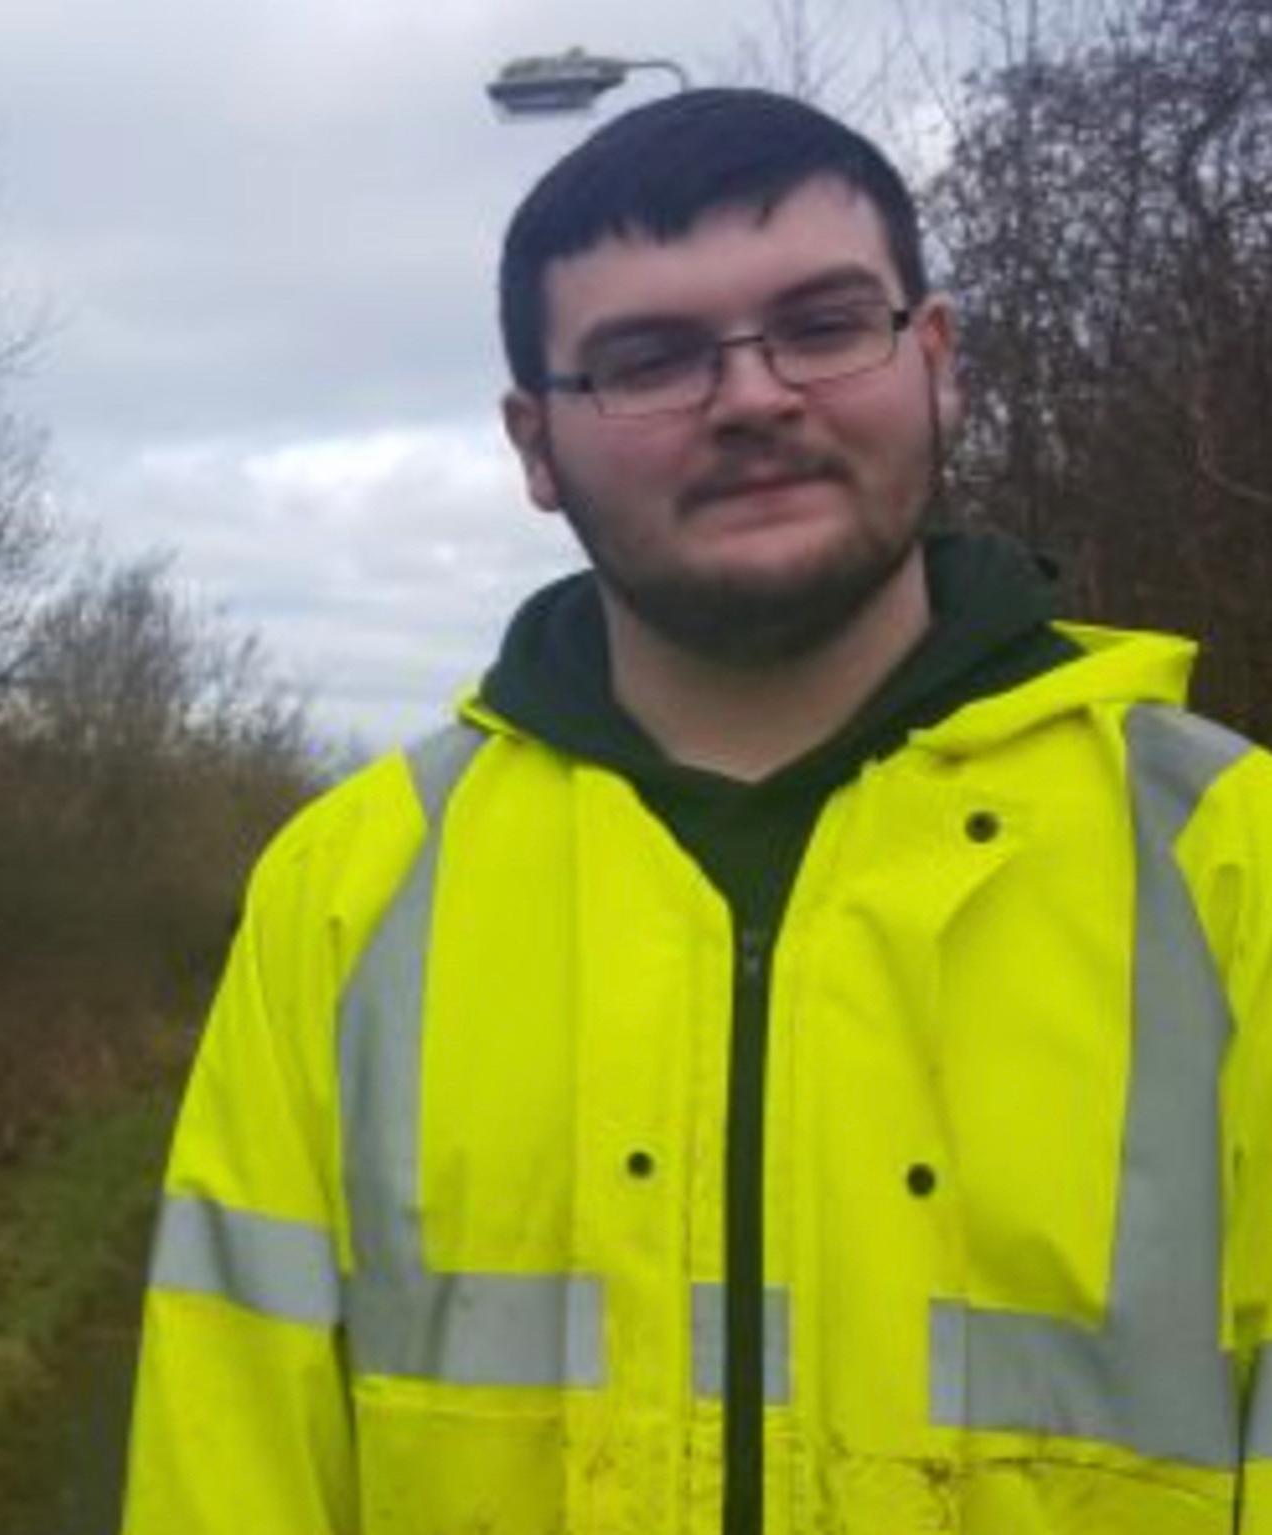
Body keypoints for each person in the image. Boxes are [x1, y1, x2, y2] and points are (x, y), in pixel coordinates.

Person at [121, 87, 1272, 1534]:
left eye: (822, 321)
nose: (751, 395)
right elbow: (225, 1467)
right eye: (648, 357)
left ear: (936, 359)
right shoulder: (347, 890)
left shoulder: (1231, 863)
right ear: (533, 445)